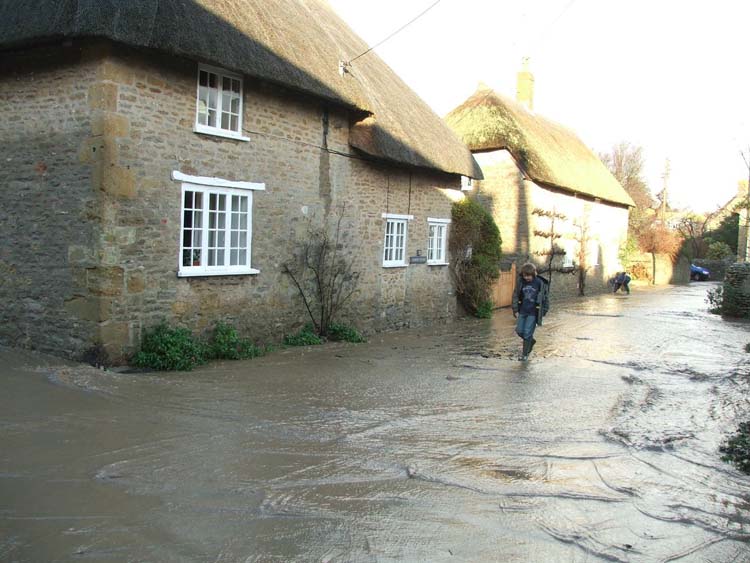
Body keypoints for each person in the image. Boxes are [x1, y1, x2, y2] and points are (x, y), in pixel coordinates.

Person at [511, 262, 550, 361]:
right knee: (519, 331)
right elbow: (515, 295)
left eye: (529, 276)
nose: (527, 278)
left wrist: (543, 311)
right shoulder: (521, 282)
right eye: (525, 276)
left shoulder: (540, 283)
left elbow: (545, 298)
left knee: (527, 332)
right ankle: (531, 341)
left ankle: (525, 354)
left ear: (533, 274)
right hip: (522, 311)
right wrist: (515, 309)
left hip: (533, 313)